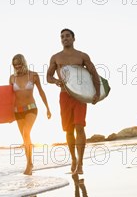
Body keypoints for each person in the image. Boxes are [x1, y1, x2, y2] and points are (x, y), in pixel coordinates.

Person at [47, 29, 100, 175]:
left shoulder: (82, 56)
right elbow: (48, 77)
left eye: (67, 36)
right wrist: (56, 81)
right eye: (62, 37)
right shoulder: (56, 57)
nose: (65, 38)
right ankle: (73, 159)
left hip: (80, 96)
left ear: (73, 38)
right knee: (68, 130)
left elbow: (93, 73)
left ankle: (81, 163)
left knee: (80, 127)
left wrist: (96, 92)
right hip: (64, 96)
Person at [9, 54, 51, 175]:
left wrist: (47, 108)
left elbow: (41, 92)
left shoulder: (33, 75)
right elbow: (9, 98)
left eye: (19, 63)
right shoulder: (12, 78)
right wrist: (9, 115)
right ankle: (30, 162)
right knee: (24, 137)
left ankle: (29, 165)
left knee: (26, 132)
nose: (17, 66)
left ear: (24, 62)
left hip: (31, 108)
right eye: (15, 64)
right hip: (17, 111)